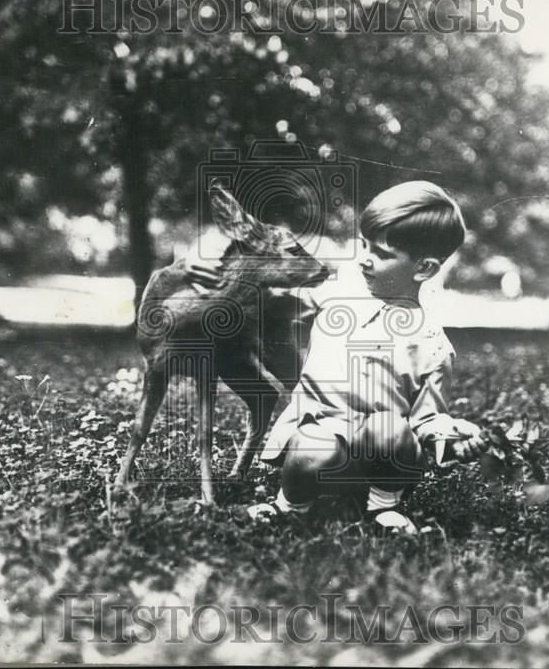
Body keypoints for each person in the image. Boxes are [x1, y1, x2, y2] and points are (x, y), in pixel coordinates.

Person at [185, 181, 490, 533]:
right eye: (363, 244)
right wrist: (214, 267)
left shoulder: (432, 345)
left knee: (389, 427)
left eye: (381, 253)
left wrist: (451, 440)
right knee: (316, 441)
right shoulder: (340, 293)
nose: (364, 258)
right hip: (317, 443)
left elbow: (427, 418)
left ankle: (383, 507)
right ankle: (289, 505)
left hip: (381, 459)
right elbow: (280, 295)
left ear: (423, 269)